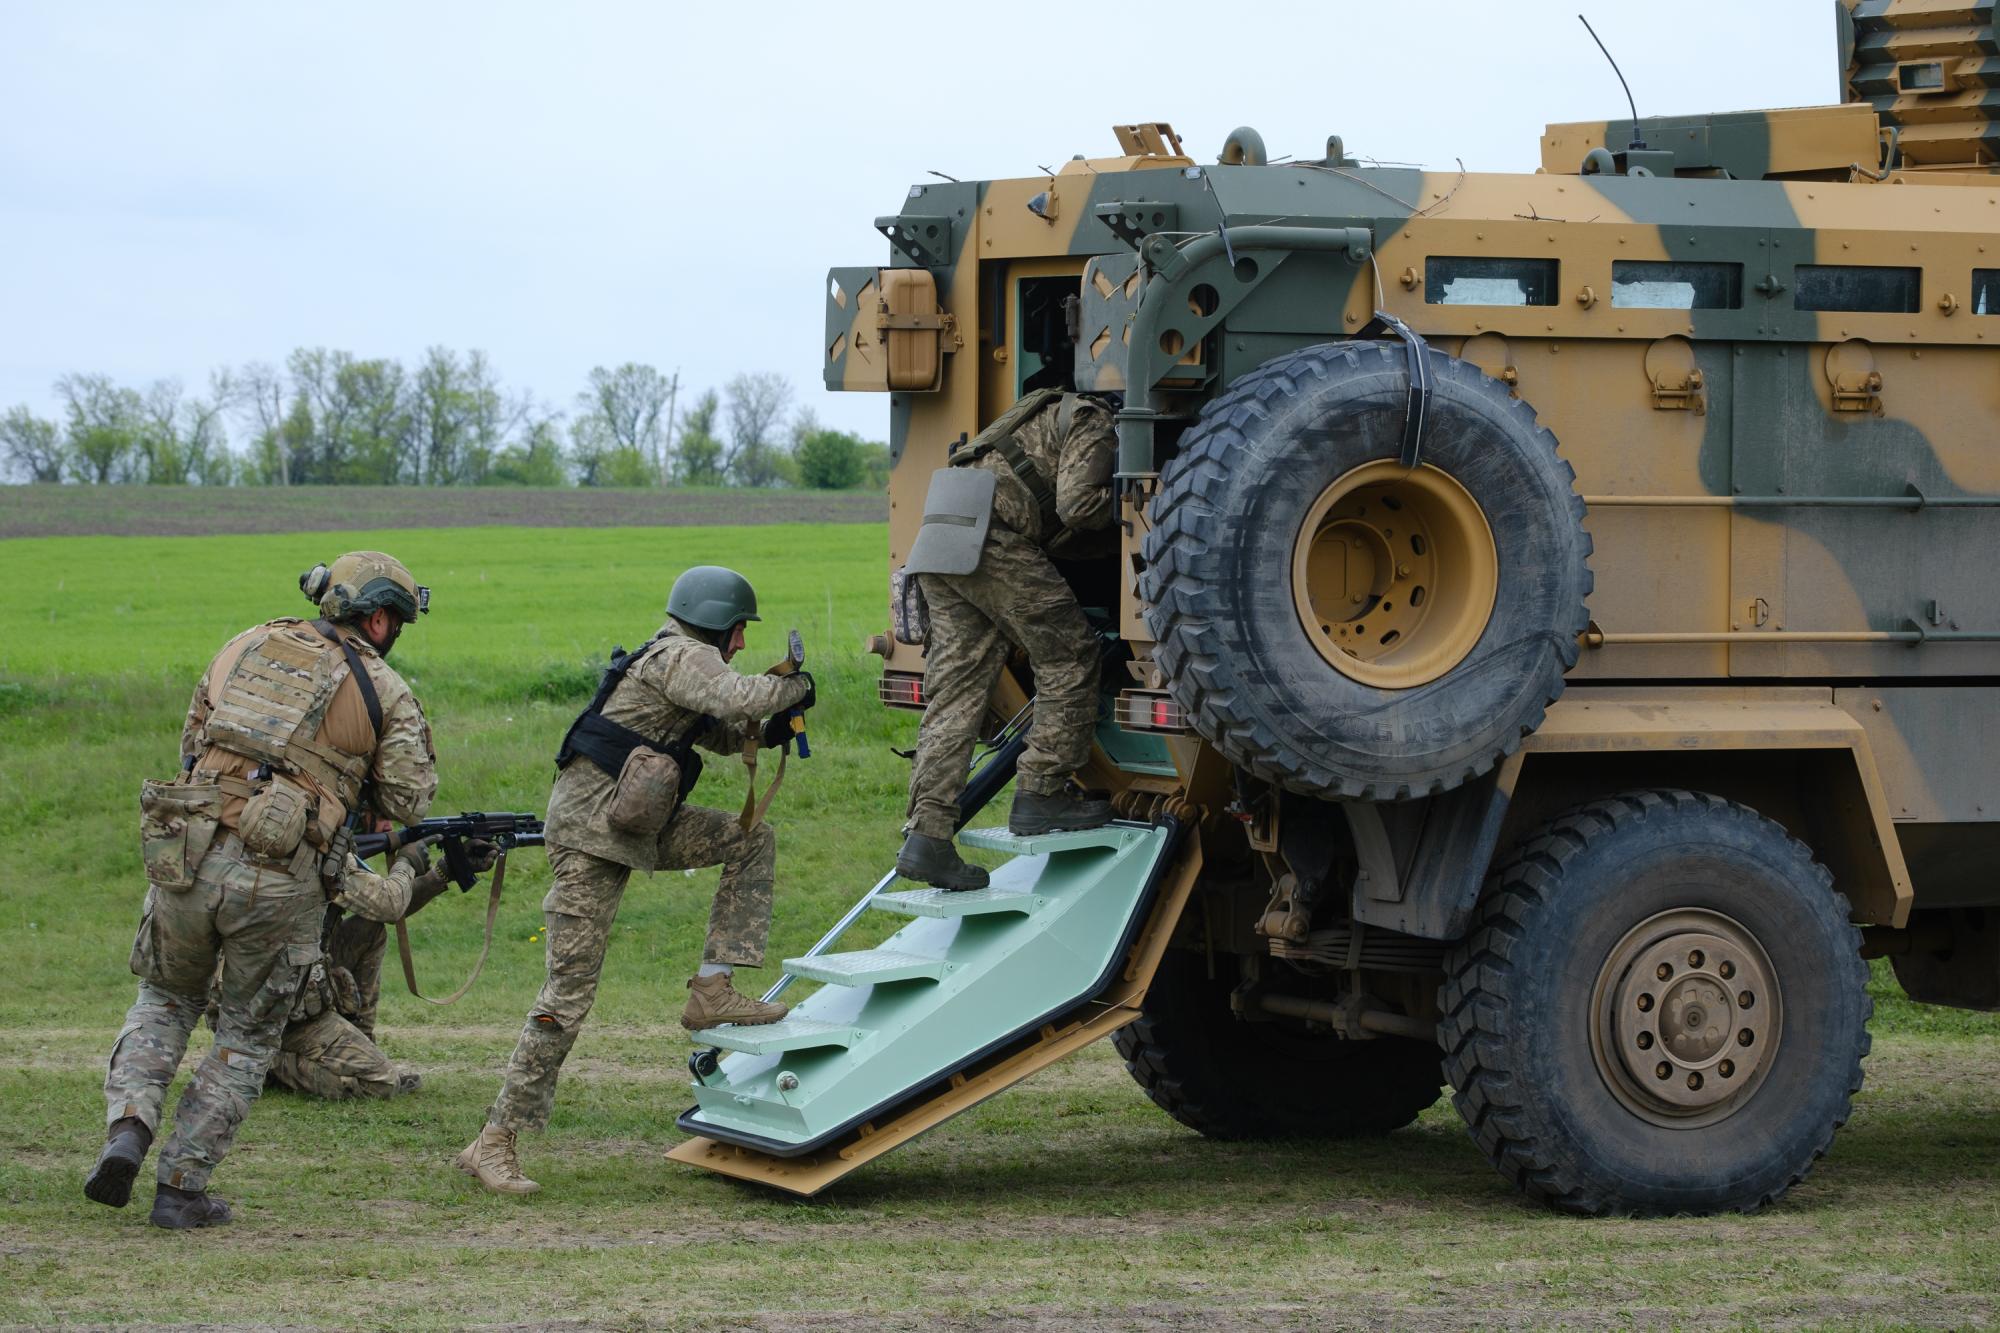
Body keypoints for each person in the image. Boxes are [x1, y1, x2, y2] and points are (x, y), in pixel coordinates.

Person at [84, 551, 438, 1229]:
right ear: (380, 618)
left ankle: (128, 1127)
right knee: (246, 1037)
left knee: (163, 1001)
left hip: (188, 850)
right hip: (277, 878)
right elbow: (408, 798)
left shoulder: (243, 645)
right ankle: (180, 1188)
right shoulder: (384, 688)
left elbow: (192, 743)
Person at [458, 566, 813, 1195]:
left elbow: (726, 730)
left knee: (751, 838)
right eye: (737, 631)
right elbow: (739, 698)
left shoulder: (680, 664)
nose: (739, 644)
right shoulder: (681, 655)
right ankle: (493, 1141)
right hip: (589, 839)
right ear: (715, 624)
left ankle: (713, 988)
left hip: (632, 826)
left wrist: (773, 728)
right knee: (566, 999)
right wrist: (796, 686)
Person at [894, 388, 1120, 891]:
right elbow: (1079, 505)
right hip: (990, 538)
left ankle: (927, 836)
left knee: (955, 694)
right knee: (1071, 655)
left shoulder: (1041, 409)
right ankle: (1042, 790)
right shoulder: (1095, 417)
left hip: (939, 538)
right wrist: (1143, 504)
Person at [258, 835, 495, 1101]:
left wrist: (445, 871)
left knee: (368, 930)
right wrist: (406, 862)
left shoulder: (307, 843)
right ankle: (266, 1061)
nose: (385, 826)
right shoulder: (316, 852)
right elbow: (389, 904)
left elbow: (380, 908)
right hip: (277, 1005)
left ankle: (361, 1043)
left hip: (289, 982)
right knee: (380, 1083)